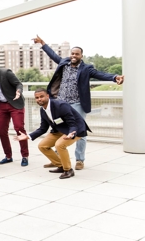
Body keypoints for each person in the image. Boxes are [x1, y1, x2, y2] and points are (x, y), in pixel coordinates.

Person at [32, 35, 124, 170]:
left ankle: (80, 160)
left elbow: (100, 74)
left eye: (77, 54)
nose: (74, 55)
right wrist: (42, 43)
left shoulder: (86, 68)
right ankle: (58, 160)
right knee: (59, 129)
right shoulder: (64, 62)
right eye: (72, 53)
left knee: (80, 132)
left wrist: (114, 77)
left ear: (81, 55)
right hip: (61, 103)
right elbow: (53, 55)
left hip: (77, 104)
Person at [14, 88, 91, 179]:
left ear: (47, 96)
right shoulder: (43, 110)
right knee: (42, 146)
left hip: (75, 129)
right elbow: (43, 128)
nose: (39, 99)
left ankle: (68, 170)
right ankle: (61, 165)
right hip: (60, 129)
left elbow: (72, 123)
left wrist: (71, 133)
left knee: (60, 145)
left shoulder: (61, 105)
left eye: (41, 96)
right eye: (37, 97)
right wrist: (27, 136)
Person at [0, 56, 29, 167]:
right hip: (1, 105)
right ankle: (8, 156)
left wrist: (18, 91)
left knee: (19, 128)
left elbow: (18, 84)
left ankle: (25, 156)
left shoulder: (5, 72)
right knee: (2, 131)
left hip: (14, 102)